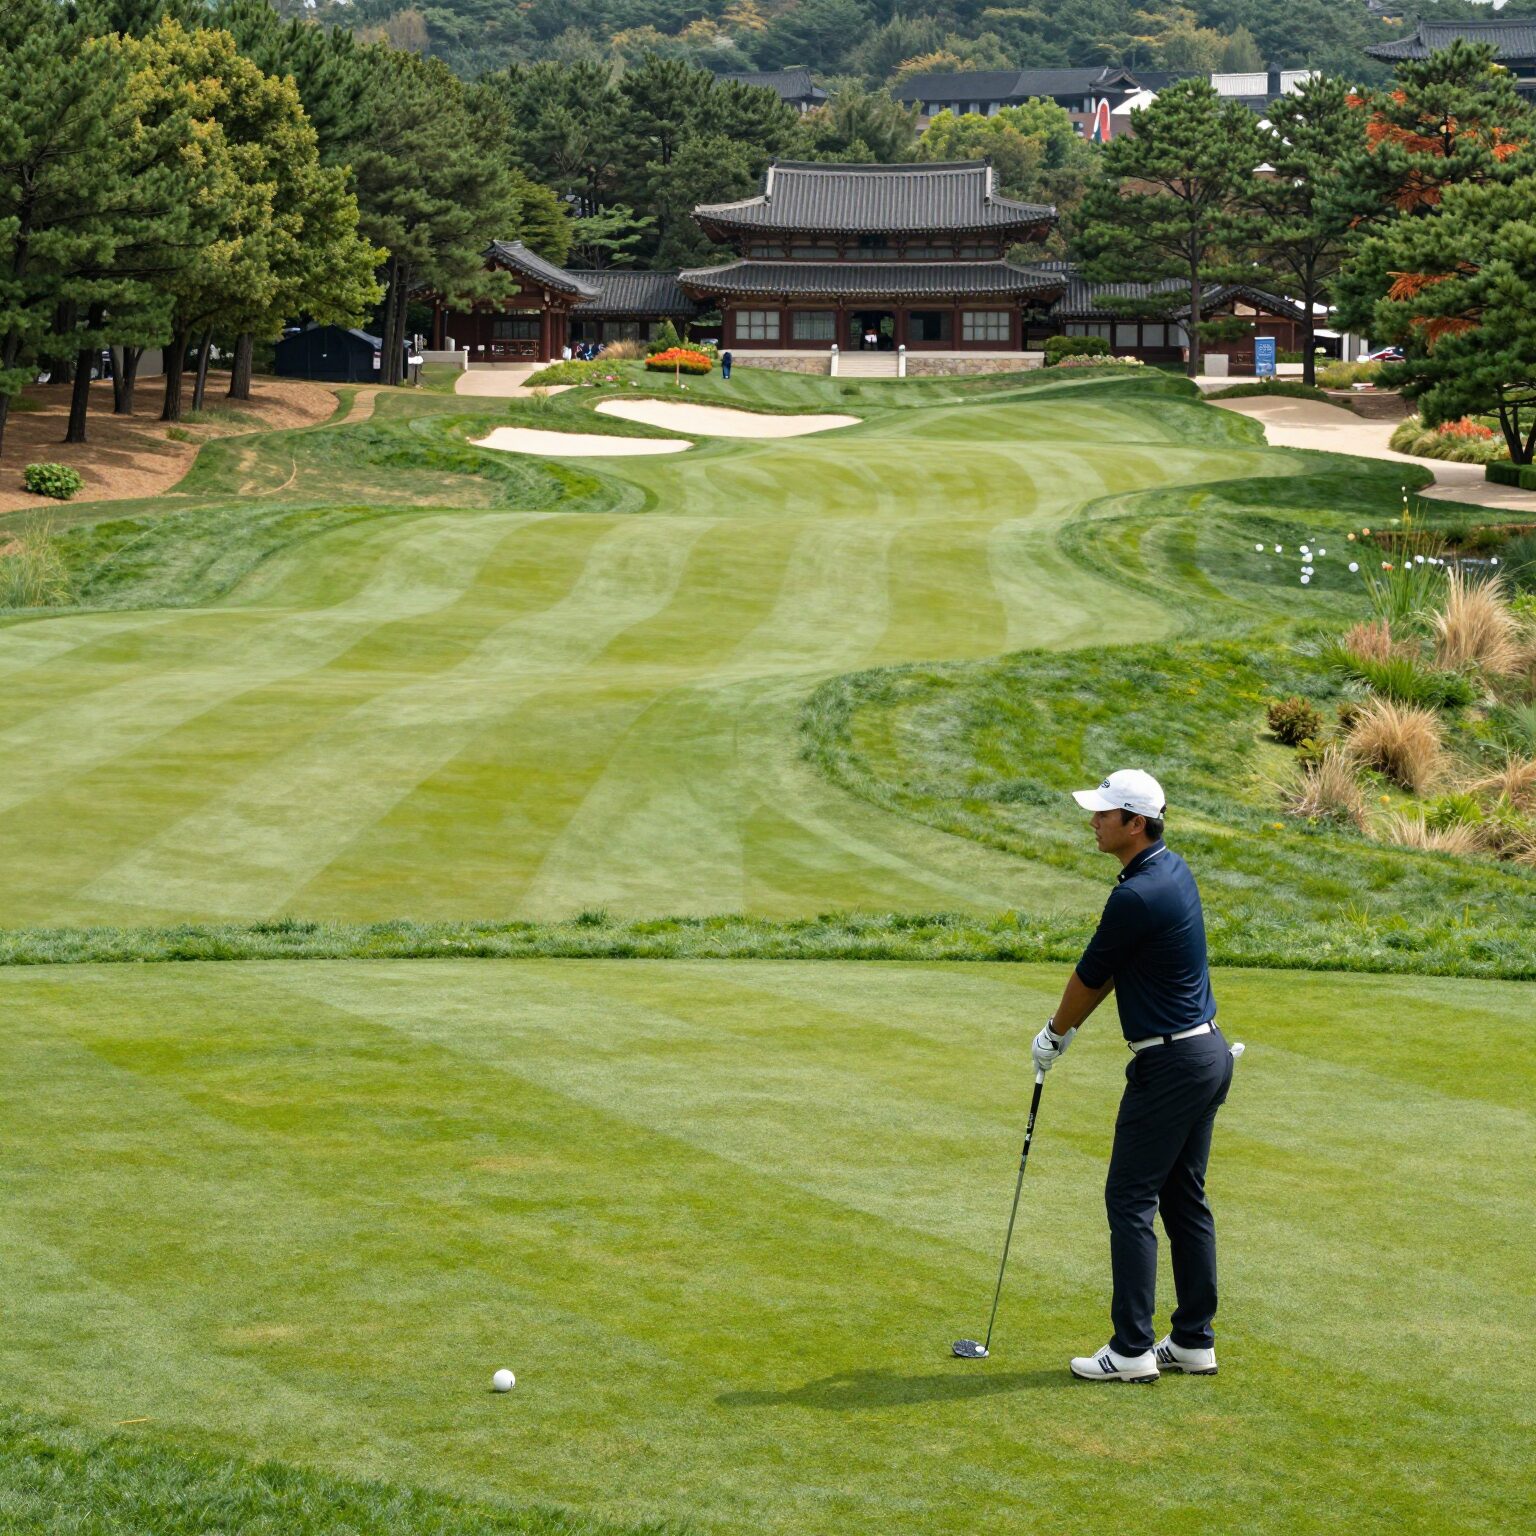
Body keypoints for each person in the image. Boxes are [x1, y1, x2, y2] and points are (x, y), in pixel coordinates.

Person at [1031, 768, 1232, 1384]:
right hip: (1206, 1054)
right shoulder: (1170, 871)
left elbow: (1092, 974)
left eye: (1103, 814)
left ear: (1134, 823)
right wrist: (1066, 1034)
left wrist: (1054, 1034)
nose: (1093, 822)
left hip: (1170, 1064)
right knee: (1182, 1198)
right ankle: (1193, 1340)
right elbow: (1118, 967)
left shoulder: (1136, 895)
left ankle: (1132, 1349)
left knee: (1130, 1199)